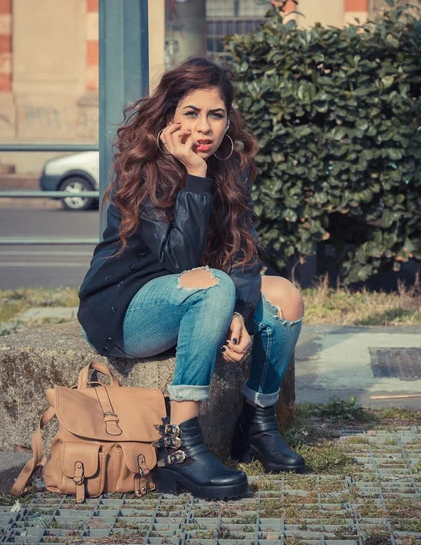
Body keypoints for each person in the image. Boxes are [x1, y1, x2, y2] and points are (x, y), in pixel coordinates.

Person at [77, 56, 306, 500]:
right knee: (211, 283)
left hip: (198, 296)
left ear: (228, 120)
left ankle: (256, 424)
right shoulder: (143, 168)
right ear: (168, 117)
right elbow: (176, 261)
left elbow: (243, 252)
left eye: (215, 115)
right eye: (191, 113)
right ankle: (181, 443)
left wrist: (239, 313)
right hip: (125, 310)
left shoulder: (232, 169)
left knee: (285, 297)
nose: (204, 128)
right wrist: (195, 177)